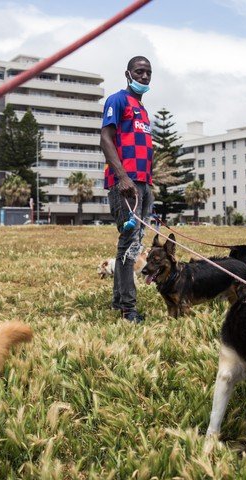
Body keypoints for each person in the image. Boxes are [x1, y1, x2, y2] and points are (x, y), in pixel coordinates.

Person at [100, 56, 154, 323]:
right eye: (139, 72)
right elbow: (106, 138)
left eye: (148, 73)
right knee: (130, 244)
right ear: (128, 74)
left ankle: (119, 300)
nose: (144, 77)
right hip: (126, 184)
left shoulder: (142, 109)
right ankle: (128, 309)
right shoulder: (117, 100)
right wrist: (122, 177)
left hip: (143, 183)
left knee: (133, 244)